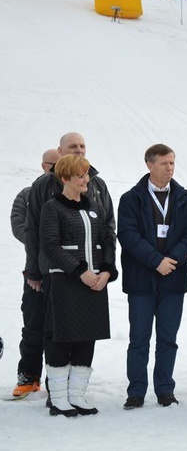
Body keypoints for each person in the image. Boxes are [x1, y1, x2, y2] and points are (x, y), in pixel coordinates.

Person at [23, 133, 114, 404]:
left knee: (86, 336)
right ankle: (57, 395)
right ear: (61, 151)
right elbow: (38, 236)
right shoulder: (44, 190)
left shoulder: (97, 190)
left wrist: (107, 271)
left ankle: (77, 395)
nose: (80, 150)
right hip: (59, 277)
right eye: (73, 147)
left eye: (83, 146)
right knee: (54, 334)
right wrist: (34, 272)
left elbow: (108, 232)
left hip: (94, 279)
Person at [118, 144, 187, 410]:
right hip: (141, 280)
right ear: (149, 165)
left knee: (167, 339)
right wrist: (156, 261)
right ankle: (136, 392)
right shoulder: (131, 198)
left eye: (172, 163)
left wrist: (170, 261)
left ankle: (165, 389)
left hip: (172, 280)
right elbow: (128, 236)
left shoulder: (185, 198)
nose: (169, 168)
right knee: (139, 339)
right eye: (164, 163)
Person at [10, 148, 59, 398]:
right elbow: (20, 227)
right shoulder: (28, 194)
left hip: (61, 273)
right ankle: (28, 376)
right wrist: (47, 239)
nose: (55, 168)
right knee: (32, 325)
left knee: (59, 329)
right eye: (52, 164)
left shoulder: (69, 191)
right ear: (43, 165)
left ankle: (57, 379)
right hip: (34, 270)